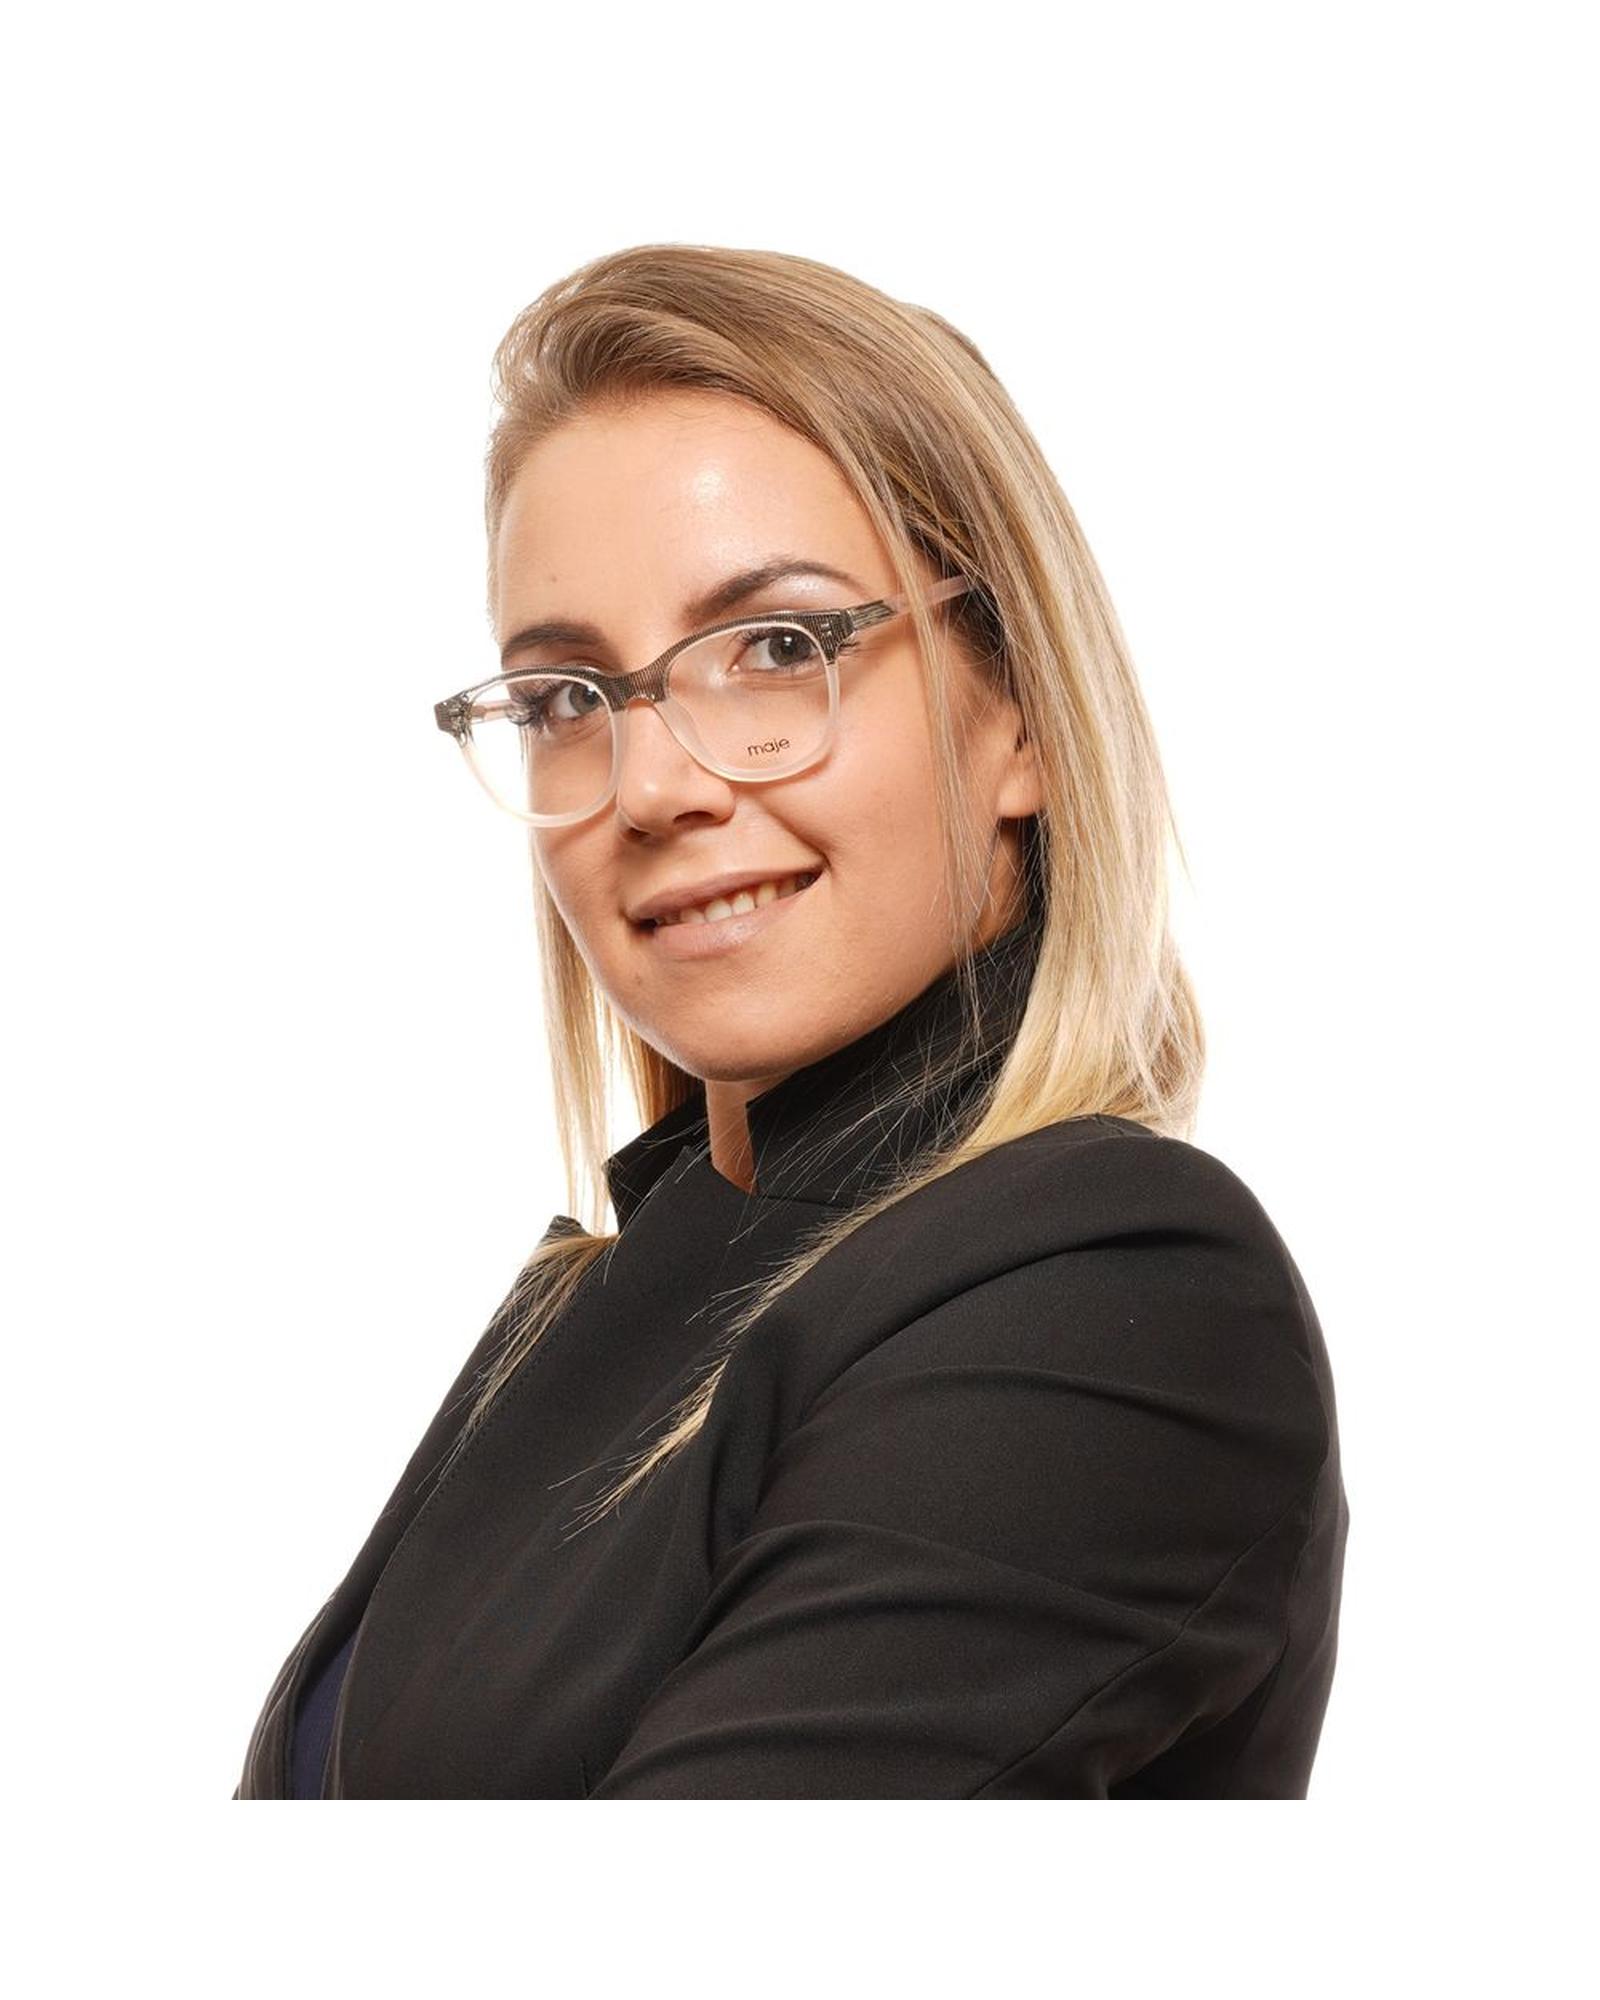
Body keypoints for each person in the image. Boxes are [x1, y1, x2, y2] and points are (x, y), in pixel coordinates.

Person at [233, 243, 1349, 1799]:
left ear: (1019, 711)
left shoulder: (1114, 1288)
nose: (653, 786)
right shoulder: (605, 1301)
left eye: (777, 648)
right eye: (564, 698)